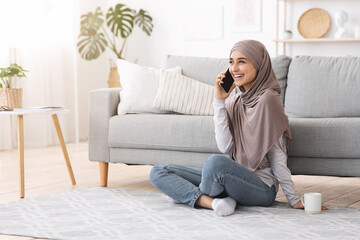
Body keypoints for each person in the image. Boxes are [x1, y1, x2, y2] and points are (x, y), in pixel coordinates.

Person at [149, 40, 328, 217]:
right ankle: (212, 202)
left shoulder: (268, 100)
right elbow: (225, 147)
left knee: (214, 163)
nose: (234, 68)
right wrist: (219, 101)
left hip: (261, 188)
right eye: (231, 62)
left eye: (241, 61)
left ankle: (187, 195)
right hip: (231, 177)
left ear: (259, 64)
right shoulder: (234, 101)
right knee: (159, 171)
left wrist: (293, 198)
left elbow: (277, 158)